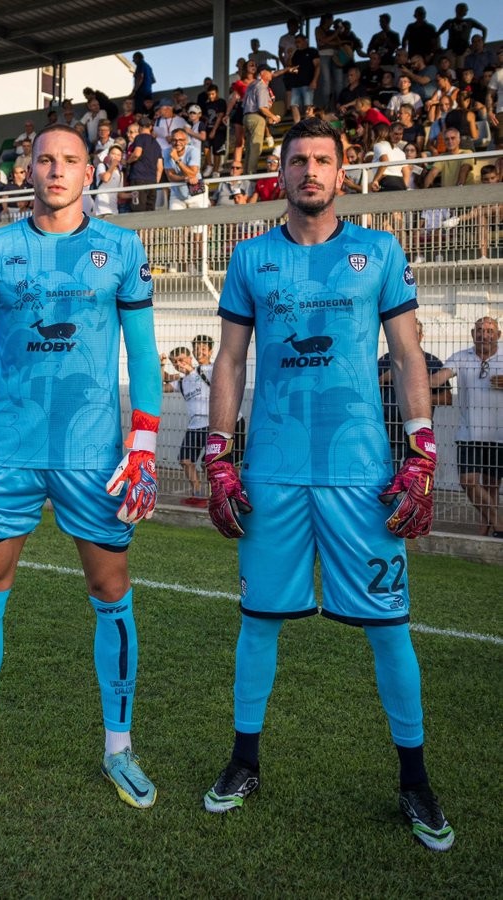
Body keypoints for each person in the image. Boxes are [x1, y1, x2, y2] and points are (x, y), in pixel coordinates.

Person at [201, 117, 454, 852]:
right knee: (259, 621)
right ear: (278, 175)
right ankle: (244, 762)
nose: (310, 171)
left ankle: (415, 781)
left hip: (360, 473)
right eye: (297, 160)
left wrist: (421, 446)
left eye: (323, 161)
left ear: (342, 175)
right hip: (274, 470)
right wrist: (220, 452)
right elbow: (229, 361)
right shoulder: (251, 258)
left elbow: (408, 357)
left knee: (388, 627)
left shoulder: (377, 251)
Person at [0, 124, 161, 809]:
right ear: (26, 168)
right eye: (45, 159)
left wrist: (143, 445)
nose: (56, 171)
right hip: (5, 450)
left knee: (111, 586)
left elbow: (144, 353)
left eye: (70, 161)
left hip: (95, 454)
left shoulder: (121, 246)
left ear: (91, 172)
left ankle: (120, 749)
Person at [429, 317, 503, 537]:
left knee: (491, 485)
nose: (484, 334)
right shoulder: (461, 357)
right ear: (473, 334)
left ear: (498, 335)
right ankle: (499, 524)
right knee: (468, 481)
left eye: (490, 330)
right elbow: (438, 378)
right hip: (469, 433)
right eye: (480, 330)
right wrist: (414, 378)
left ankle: (487, 528)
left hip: (499, 434)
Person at [378, 319, 452, 465]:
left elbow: (447, 399)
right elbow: (368, 391)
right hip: (387, 430)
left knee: (417, 473)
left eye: (413, 333)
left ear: (420, 336)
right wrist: (385, 378)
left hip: (418, 429)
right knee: (389, 475)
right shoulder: (384, 361)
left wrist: (418, 398)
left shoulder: (432, 361)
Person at [162, 335, 213, 506]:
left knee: (209, 464)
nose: (178, 364)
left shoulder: (206, 370)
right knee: (185, 460)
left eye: (181, 360)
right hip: (194, 427)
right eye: (175, 362)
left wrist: (189, 370)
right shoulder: (182, 381)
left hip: (211, 424)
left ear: (190, 358)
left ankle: (215, 496)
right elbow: (164, 384)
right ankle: (198, 493)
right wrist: (161, 366)